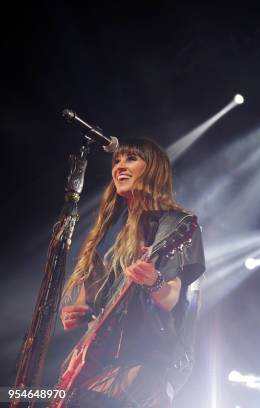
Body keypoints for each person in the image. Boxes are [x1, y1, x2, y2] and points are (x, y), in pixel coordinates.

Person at [59, 138, 205, 407]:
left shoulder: (175, 225)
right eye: (117, 161)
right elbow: (89, 300)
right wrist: (78, 310)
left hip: (145, 357)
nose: (120, 167)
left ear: (153, 170)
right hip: (96, 360)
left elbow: (172, 298)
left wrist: (154, 280)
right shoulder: (108, 230)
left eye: (131, 159)